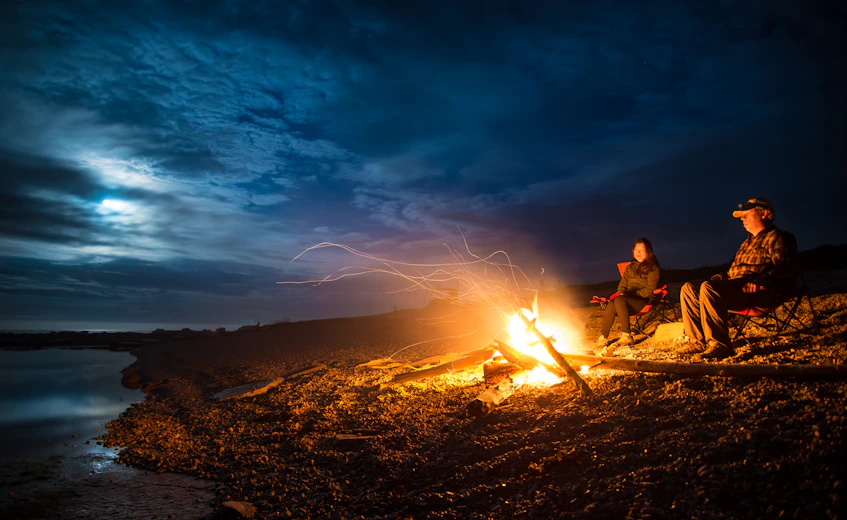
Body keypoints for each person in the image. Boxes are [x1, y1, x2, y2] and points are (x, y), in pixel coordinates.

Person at [679, 197, 796, 359]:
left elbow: (785, 267)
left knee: (709, 288)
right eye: (742, 216)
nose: (742, 218)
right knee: (689, 287)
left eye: (747, 214)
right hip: (736, 287)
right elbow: (735, 271)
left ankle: (720, 344)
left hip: (759, 292)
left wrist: (761, 281)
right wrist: (721, 277)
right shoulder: (746, 243)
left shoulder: (779, 237)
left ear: (765, 213)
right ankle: (696, 341)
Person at [596, 238, 661, 355]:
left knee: (619, 300)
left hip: (642, 300)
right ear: (633, 251)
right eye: (636, 249)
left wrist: (630, 295)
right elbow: (622, 285)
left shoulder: (653, 268)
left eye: (642, 250)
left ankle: (626, 335)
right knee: (612, 303)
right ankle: (603, 336)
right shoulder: (629, 268)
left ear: (648, 252)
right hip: (626, 301)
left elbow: (650, 289)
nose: (639, 252)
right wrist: (622, 294)